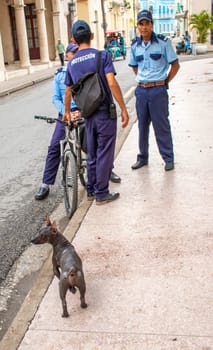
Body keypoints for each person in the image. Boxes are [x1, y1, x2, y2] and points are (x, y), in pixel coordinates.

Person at [35, 43, 121, 200]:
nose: (74, 55)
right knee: (54, 146)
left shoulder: (83, 68)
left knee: (92, 145)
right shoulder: (60, 75)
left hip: (84, 112)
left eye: (76, 52)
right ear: (67, 56)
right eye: (71, 53)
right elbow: (56, 98)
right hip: (66, 115)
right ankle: (45, 183)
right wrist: (66, 113)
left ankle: (106, 172)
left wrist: (80, 112)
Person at [63, 20, 129, 205]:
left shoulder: (72, 63)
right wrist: (123, 108)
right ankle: (101, 193)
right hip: (104, 112)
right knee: (105, 153)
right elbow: (112, 83)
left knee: (92, 153)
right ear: (92, 36)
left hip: (88, 114)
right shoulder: (102, 55)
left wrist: (67, 112)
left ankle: (91, 190)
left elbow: (68, 92)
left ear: (74, 40)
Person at [129, 10, 180, 171]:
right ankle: (143, 157)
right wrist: (144, 80)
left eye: (147, 23)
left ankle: (168, 158)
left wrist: (164, 81)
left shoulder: (163, 42)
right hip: (142, 91)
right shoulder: (135, 45)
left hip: (158, 90)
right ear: (137, 26)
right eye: (141, 24)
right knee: (142, 126)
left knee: (161, 125)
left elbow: (175, 65)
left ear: (152, 25)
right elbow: (135, 67)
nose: (144, 27)